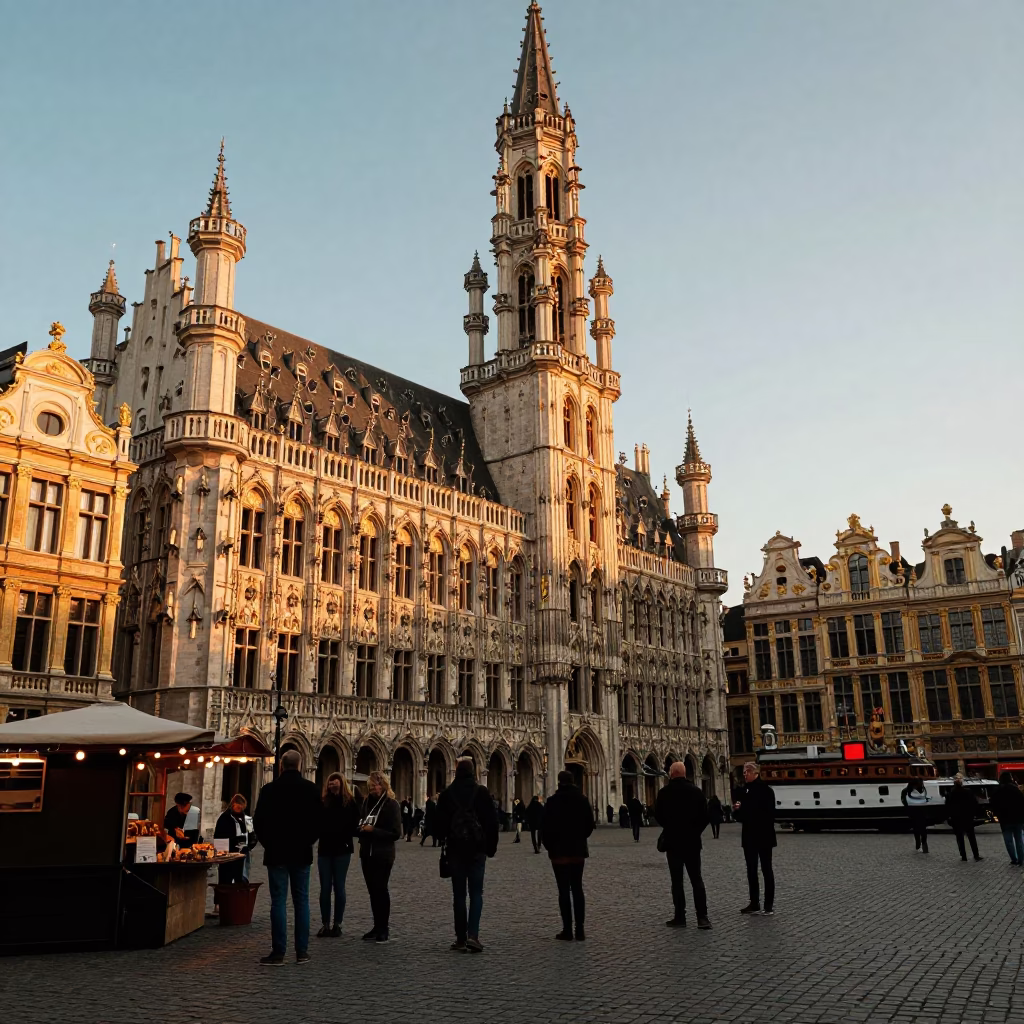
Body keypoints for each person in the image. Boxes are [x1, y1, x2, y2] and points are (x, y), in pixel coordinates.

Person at [253, 751, 322, 965]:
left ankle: (278, 952)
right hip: (301, 853)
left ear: (281, 766)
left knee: (278, 902)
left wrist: (269, 843)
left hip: (276, 853)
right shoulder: (311, 789)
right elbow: (319, 822)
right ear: (300, 765)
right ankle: (302, 952)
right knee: (301, 902)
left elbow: (258, 822)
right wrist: (307, 841)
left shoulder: (268, 790)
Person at [434, 757, 499, 952]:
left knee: (459, 895)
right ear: (474, 771)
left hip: (455, 850)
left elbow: (438, 825)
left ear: (456, 771)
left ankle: (461, 938)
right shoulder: (481, 792)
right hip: (477, 850)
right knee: (476, 893)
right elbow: (492, 822)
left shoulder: (447, 794)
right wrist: (491, 847)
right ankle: (473, 935)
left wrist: (445, 838)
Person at [654, 762, 712, 930]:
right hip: (692, 842)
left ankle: (680, 917)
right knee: (696, 879)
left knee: (677, 881)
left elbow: (658, 815)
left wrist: (670, 827)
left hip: (673, 842)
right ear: (685, 773)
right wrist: (695, 831)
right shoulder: (696, 792)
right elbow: (705, 817)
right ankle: (702, 917)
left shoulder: (664, 793)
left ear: (671, 773)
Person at [542, 771, 595, 940]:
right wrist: (580, 839)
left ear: (559, 782)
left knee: (563, 890)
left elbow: (544, 827)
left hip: (559, 853)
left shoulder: (552, 801)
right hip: (577, 851)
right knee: (577, 888)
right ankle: (580, 930)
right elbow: (590, 825)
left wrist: (550, 846)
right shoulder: (582, 800)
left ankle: (567, 929)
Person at [357, 770, 403, 942]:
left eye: (375, 785)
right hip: (367, 852)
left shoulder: (392, 805)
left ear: (383, 785)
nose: (372, 788)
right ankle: (377, 926)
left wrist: (373, 831)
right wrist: (360, 828)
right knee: (372, 891)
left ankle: (384, 928)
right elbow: (362, 821)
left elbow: (396, 833)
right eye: (370, 785)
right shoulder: (366, 802)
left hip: (383, 854)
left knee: (381, 890)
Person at [317, 772, 359, 938]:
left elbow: (355, 823)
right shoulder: (323, 802)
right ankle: (325, 924)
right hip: (325, 850)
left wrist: (344, 835)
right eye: (330, 783)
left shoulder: (350, 802)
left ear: (342, 784)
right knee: (325, 888)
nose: (332, 785)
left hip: (342, 850)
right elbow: (317, 822)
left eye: (335, 782)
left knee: (339, 886)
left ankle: (338, 923)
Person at [733, 761, 776, 916]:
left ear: (754, 773)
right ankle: (754, 903)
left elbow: (769, 814)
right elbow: (738, 814)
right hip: (750, 836)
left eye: (746, 772)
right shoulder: (743, 791)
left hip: (763, 835)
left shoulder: (766, 791)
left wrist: (744, 811)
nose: (744, 775)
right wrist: (738, 810)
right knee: (751, 870)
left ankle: (768, 905)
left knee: (766, 869)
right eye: (744, 772)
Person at [945, 773, 983, 862]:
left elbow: (948, 806)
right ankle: (976, 855)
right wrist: (973, 813)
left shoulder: (951, 794)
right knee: (971, 837)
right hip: (967, 816)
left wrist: (949, 816)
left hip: (956, 818)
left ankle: (963, 856)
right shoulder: (968, 792)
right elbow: (974, 803)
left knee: (960, 838)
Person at [991, 771, 1024, 865]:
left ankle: (1014, 859)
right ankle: (1021, 859)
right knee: (1019, 839)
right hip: (1017, 819)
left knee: (1008, 840)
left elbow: (993, 805)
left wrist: (998, 815)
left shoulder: (997, 791)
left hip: (1005, 820)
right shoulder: (1015, 789)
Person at [900, 777, 931, 853]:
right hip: (917, 812)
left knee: (920, 830)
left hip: (917, 811)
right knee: (919, 829)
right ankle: (920, 845)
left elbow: (904, 801)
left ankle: (922, 845)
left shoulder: (920, 790)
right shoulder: (920, 790)